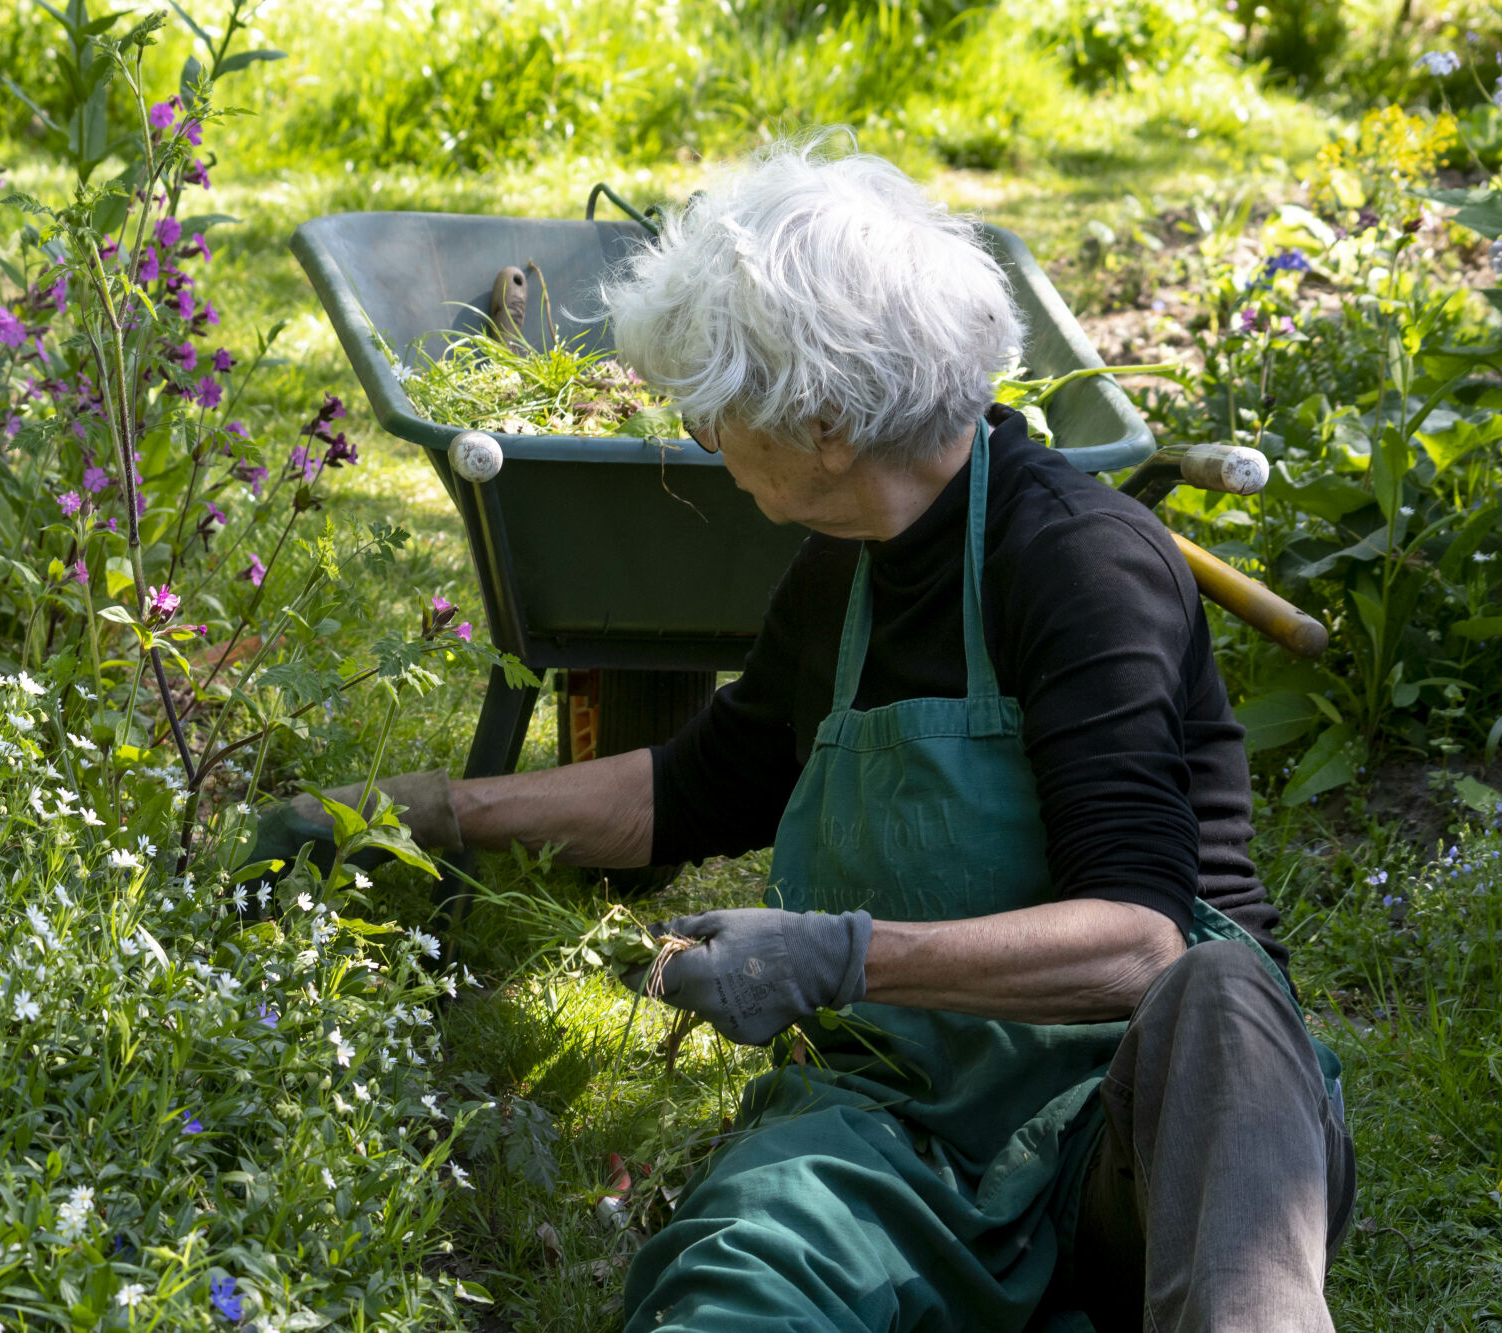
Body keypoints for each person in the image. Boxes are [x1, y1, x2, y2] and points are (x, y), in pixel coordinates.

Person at [257, 138, 1353, 1332]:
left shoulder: (1079, 563)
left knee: (1217, 1002)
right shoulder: (848, 569)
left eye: (717, 408)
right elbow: (702, 784)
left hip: (1146, 1144)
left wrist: (836, 955)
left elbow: (1137, 943)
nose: (700, 436)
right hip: (906, 1121)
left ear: (824, 420)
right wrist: (429, 812)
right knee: (736, 1272)